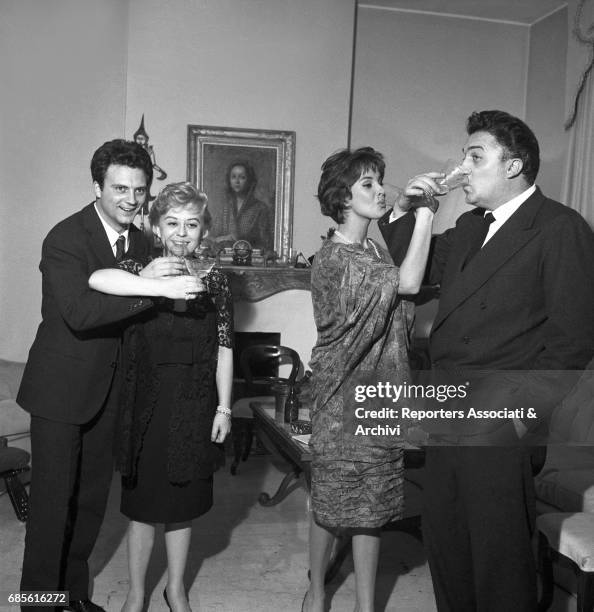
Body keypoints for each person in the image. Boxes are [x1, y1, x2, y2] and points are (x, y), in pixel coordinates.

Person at [380, 110, 594, 611]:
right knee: (448, 542)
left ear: (513, 166)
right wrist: (408, 209)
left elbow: (574, 338)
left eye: (475, 157)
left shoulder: (559, 227)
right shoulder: (472, 226)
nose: (461, 167)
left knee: (499, 560)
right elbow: (410, 265)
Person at [17, 140, 195, 612]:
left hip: (111, 393)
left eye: (139, 190)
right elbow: (79, 312)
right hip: (60, 392)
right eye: (119, 188)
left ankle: (73, 597)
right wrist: (151, 290)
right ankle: (36, 605)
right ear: (96, 186)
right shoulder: (65, 238)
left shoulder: (140, 241)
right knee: (51, 510)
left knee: (90, 507)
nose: (131, 199)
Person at [89, 181, 233, 612]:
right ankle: (136, 593)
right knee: (143, 507)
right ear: (155, 226)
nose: (182, 232)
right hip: (145, 402)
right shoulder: (137, 267)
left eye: (192, 224)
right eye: (172, 222)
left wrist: (224, 406)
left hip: (194, 402)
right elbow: (96, 281)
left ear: (204, 231)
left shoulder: (217, 280)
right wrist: (145, 279)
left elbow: (226, 346)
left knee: (181, 504)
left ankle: (176, 589)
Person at [304, 147, 436, 612]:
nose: (380, 189)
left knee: (372, 509)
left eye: (381, 181)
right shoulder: (335, 258)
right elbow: (408, 284)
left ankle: (364, 606)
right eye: (367, 184)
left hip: (381, 395)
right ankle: (316, 592)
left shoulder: (373, 250)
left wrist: (400, 212)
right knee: (331, 505)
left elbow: (396, 287)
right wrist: (423, 218)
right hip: (341, 401)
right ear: (342, 197)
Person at [210, 160, 273, 250]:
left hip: (251, 260)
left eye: (242, 177)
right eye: (233, 177)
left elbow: (266, 244)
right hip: (224, 258)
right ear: (229, 180)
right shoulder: (224, 207)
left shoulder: (260, 208)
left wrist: (243, 242)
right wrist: (223, 238)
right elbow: (209, 238)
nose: (237, 181)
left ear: (249, 180)